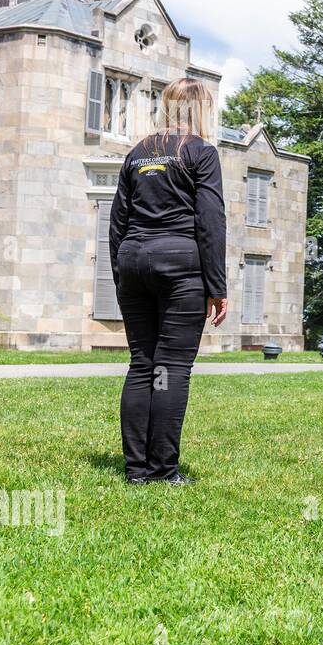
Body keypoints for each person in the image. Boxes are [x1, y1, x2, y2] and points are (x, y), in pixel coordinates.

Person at [109, 78, 229, 484]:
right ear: (201, 110)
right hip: (180, 265)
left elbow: (117, 222)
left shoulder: (136, 153)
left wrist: (121, 274)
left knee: (143, 364)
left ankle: (136, 471)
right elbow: (211, 222)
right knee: (171, 368)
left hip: (134, 261)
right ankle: (163, 469)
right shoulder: (202, 152)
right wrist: (217, 286)